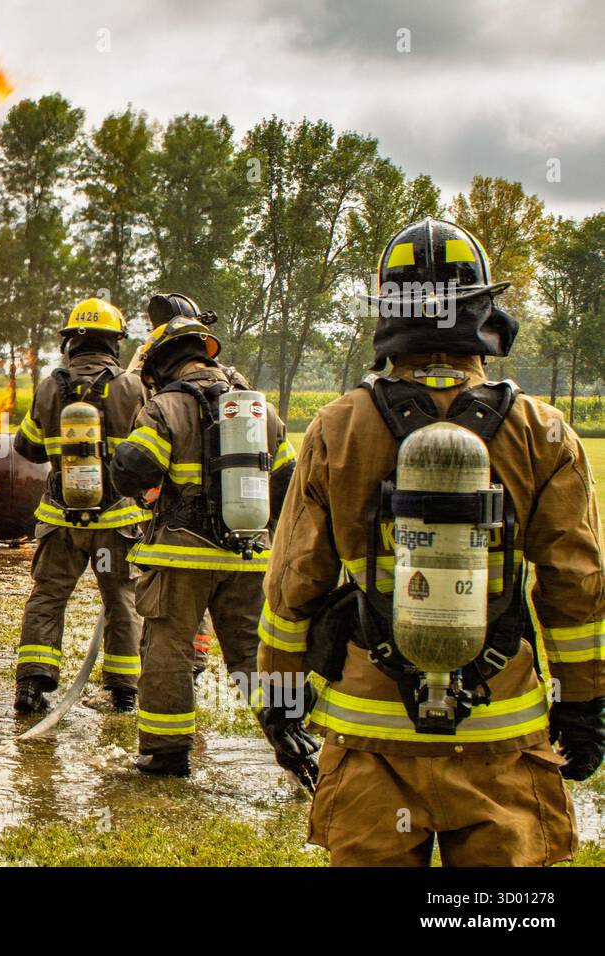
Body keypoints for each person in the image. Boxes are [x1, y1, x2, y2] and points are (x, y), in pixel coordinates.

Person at [258, 216, 605, 865]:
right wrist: (583, 707)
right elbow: (577, 590)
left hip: (371, 745)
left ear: (387, 312)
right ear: (482, 308)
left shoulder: (338, 427)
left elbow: (293, 583)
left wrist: (279, 701)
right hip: (502, 744)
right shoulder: (543, 431)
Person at [111, 293, 296, 775]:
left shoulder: (166, 407)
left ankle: (168, 753)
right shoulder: (258, 411)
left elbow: (133, 468)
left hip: (181, 558)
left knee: (167, 649)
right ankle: (293, 735)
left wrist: (143, 486)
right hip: (249, 553)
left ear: (161, 365)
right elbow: (290, 480)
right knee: (254, 653)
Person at [12, 297, 151, 715]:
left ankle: (31, 686)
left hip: (60, 521)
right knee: (120, 600)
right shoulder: (131, 387)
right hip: (117, 522)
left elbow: (28, 447)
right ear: (114, 344)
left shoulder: (48, 387)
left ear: (71, 342)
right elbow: (149, 453)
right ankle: (125, 689)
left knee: (48, 597)